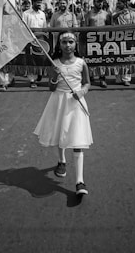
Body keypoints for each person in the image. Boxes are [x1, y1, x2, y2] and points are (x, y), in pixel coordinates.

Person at [33, 31, 93, 196]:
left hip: (76, 103)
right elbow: (51, 88)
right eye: (64, 42)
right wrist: (54, 77)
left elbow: (87, 83)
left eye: (71, 42)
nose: (68, 45)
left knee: (78, 140)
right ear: (59, 45)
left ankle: (79, 181)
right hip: (58, 102)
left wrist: (81, 92)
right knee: (61, 133)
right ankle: (61, 161)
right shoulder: (55, 64)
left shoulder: (81, 63)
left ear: (76, 44)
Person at [85, 0, 111, 88]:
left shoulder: (106, 14)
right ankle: (91, 77)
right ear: (94, 2)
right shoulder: (89, 14)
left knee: (103, 60)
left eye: (102, 2)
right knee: (91, 59)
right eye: (98, 2)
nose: (100, 3)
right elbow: (85, 26)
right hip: (91, 40)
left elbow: (109, 26)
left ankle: (102, 78)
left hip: (103, 41)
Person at [112, 0, 135, 86]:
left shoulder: (132, 13)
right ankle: (118, 78)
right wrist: (119, 13)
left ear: (125, 4)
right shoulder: (115, 12)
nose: (117, 4)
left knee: (127, 59)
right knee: (117, 58)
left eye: (120, 3)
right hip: (117, 39)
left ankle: (126, 79)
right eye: (117, 3)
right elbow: (112, 18)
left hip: (128, 38)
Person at [23, 0, 47, 88]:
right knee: (31, 60)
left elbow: (44, 28)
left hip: (41, 40)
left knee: (41, 58)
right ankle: (32, 80)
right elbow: (23, 27)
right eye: (37, 2)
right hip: (30, 40)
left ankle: (39, 74)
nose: (39, 4)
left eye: (40, 2)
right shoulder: (26, 14)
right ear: (33, 3)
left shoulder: (42, 14)